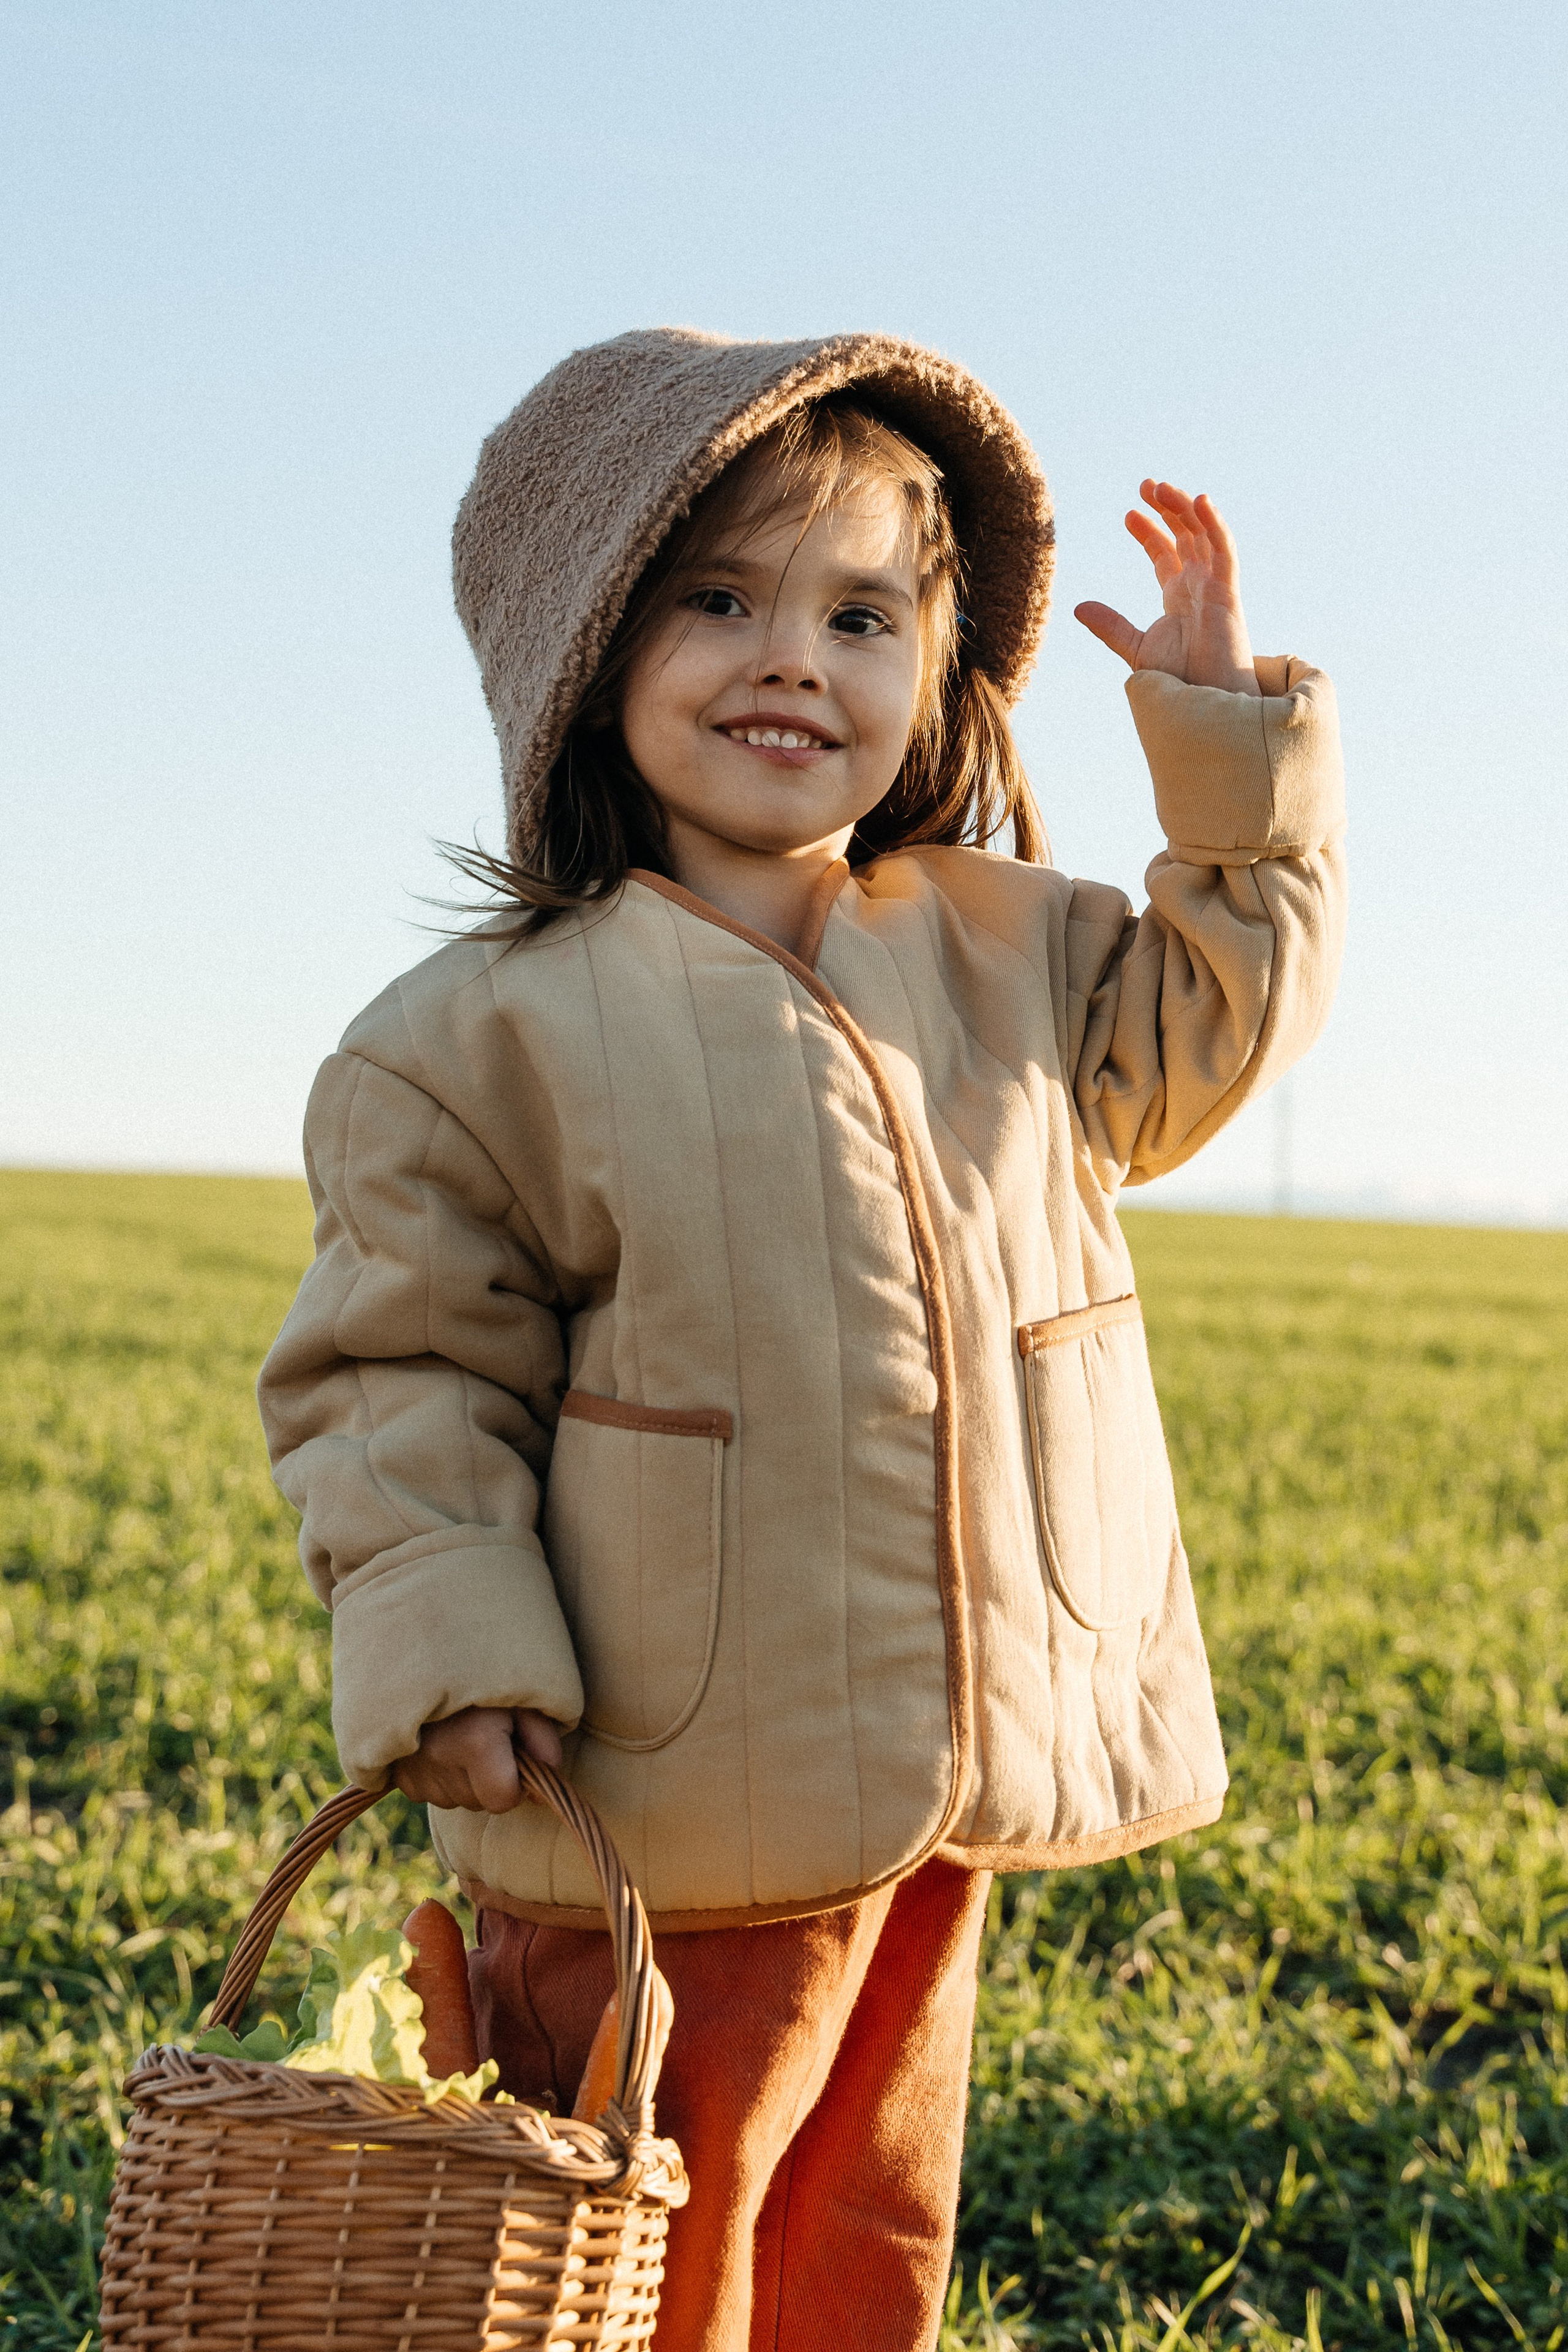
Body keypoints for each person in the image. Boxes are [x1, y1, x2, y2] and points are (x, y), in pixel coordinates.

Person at [257, 328, 1346, 2352]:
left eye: (860, 616)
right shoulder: (479, 1038)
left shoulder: (1016, 950)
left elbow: (1224, 1016)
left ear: (936, 672)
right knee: (639, 2246)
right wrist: (452, 1646)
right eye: (720, 602)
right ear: (587, 647)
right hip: (656, 1798)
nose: (795, 662)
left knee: (866, 2237)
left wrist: (1222, 741)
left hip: (944, 1773)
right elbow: (399, 1376)